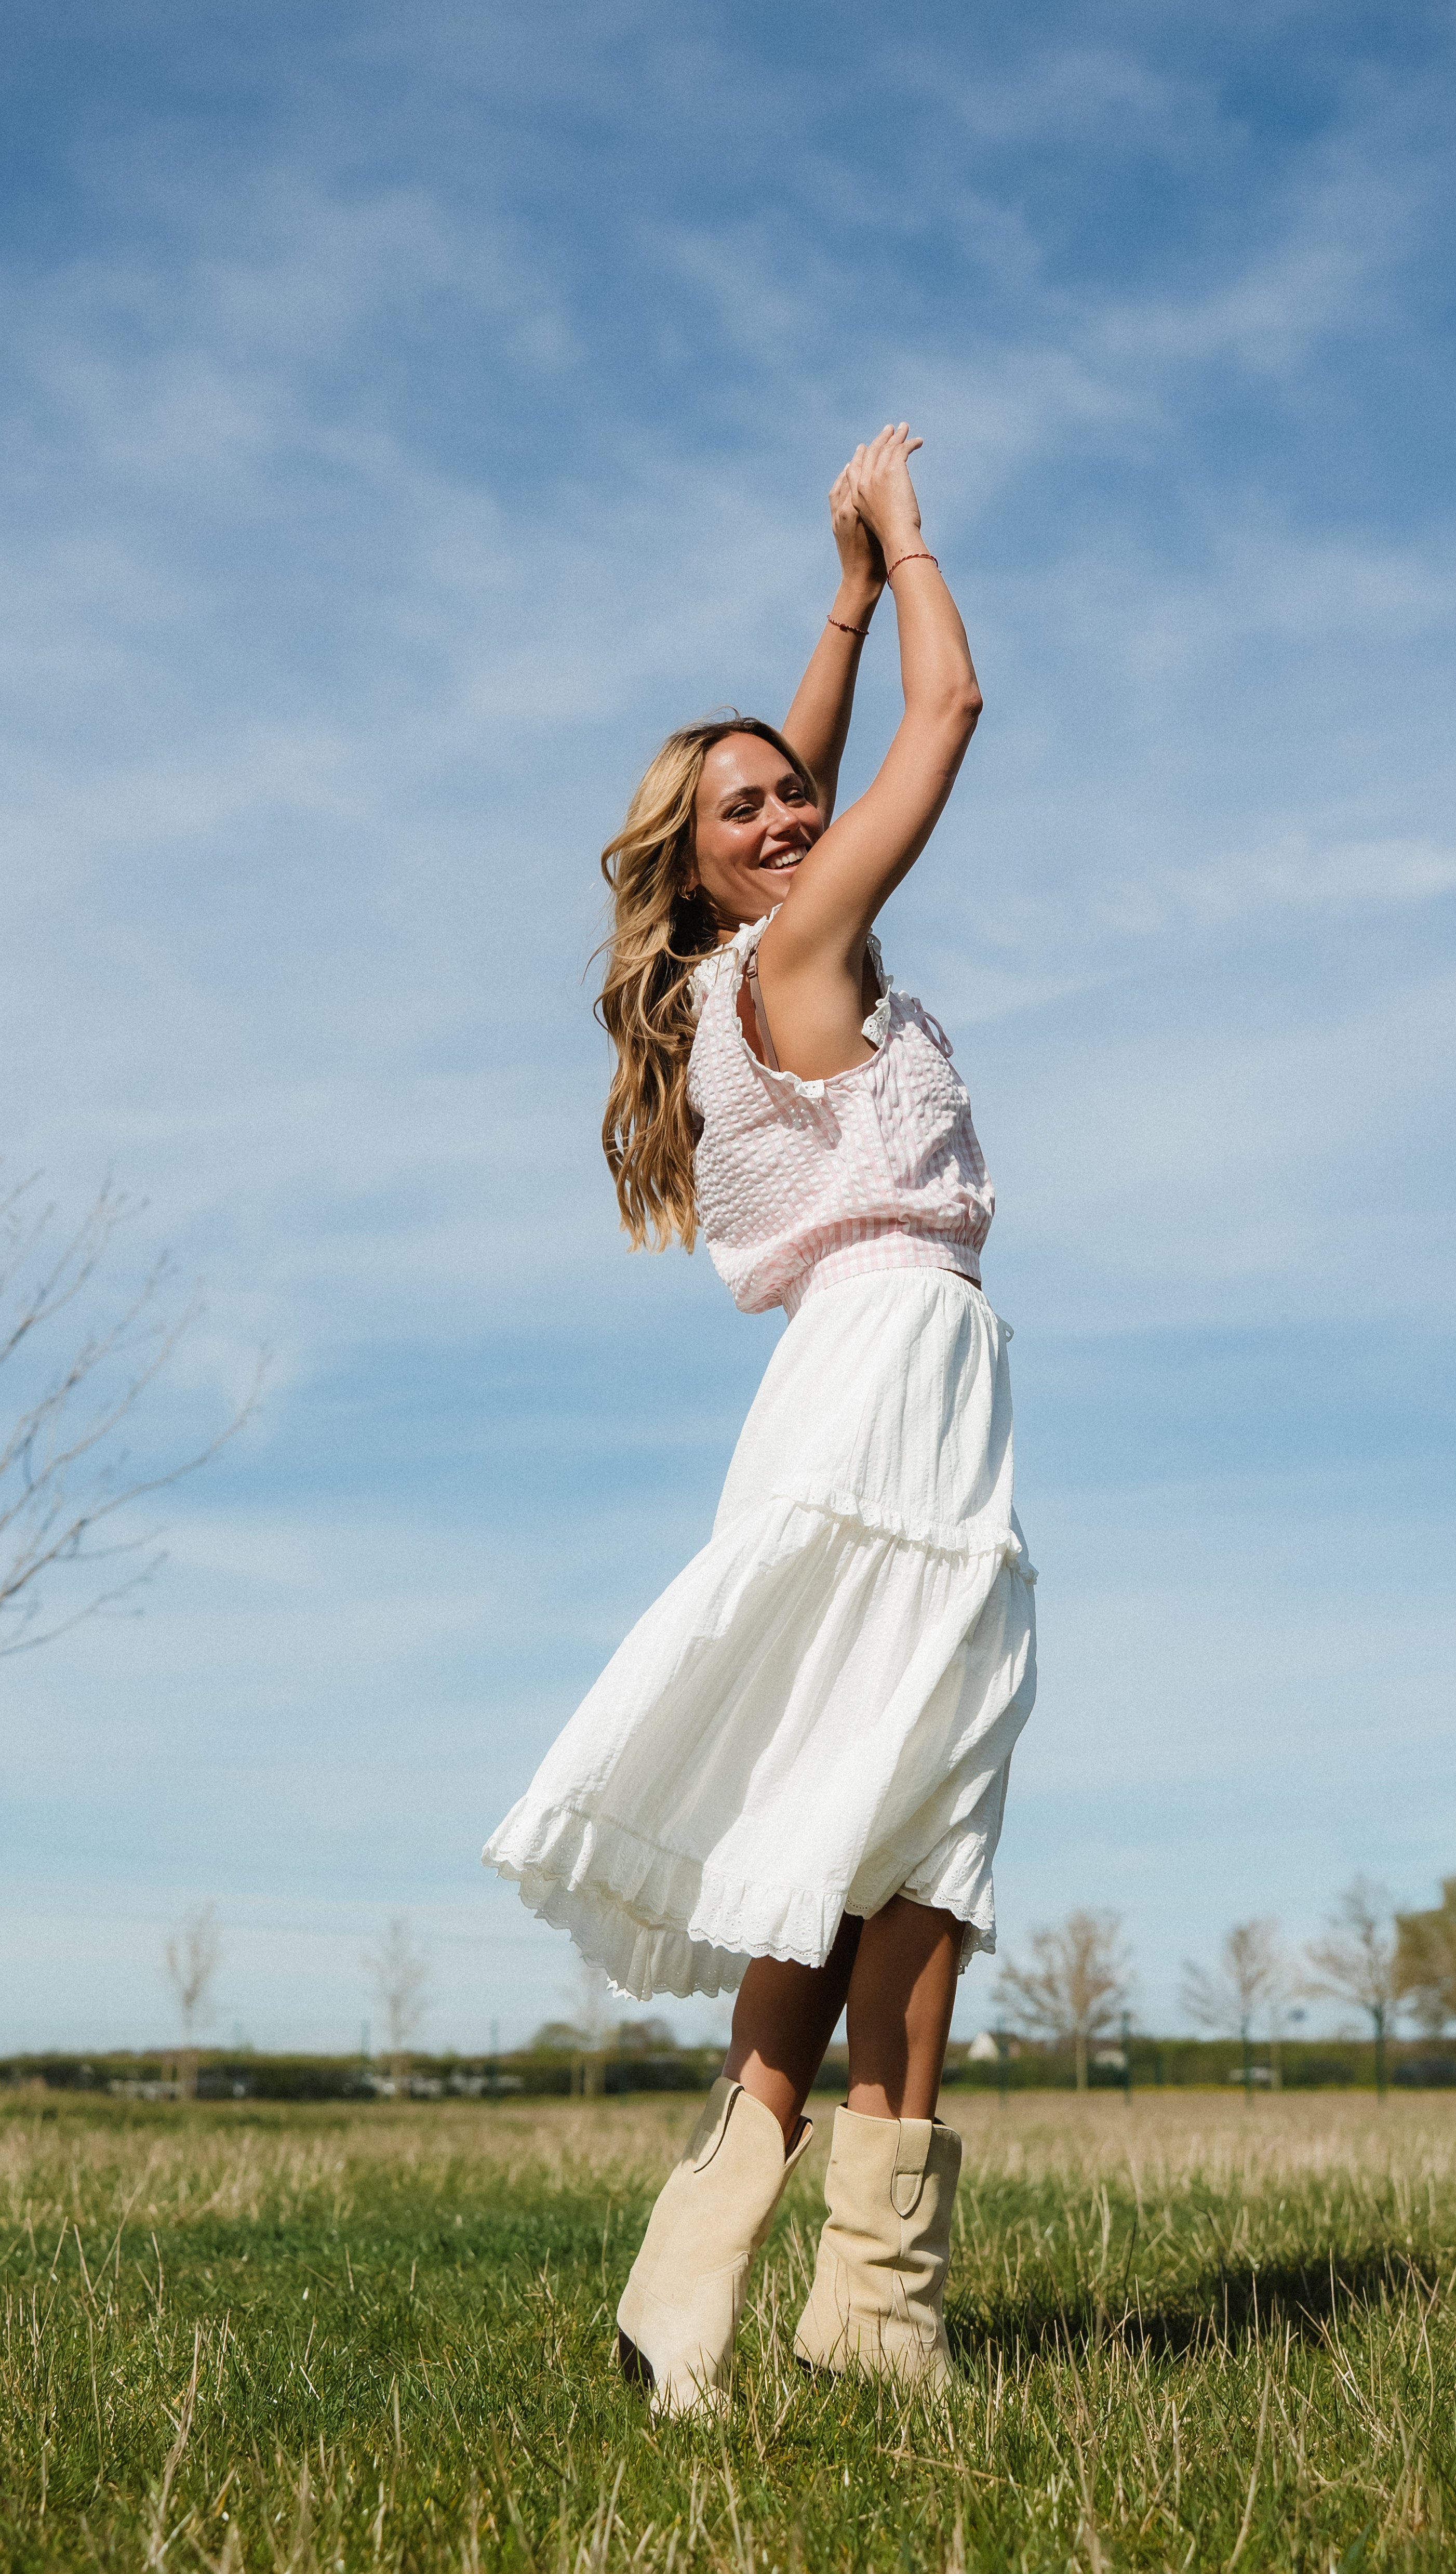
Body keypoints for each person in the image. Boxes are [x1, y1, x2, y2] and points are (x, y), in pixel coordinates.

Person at [483, 424, 1036, 2414]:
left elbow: (789, 781)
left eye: (797, 790)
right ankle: (736, 2268)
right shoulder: (789, 956)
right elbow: (951, 715)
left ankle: (856, 2301)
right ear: (700, 863)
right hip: (884, 1379)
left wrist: (840, 608)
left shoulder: (741, 954)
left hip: (918, 1381)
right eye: (748, 809)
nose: (791, 813)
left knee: (923, 1840)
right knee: (861, 1827)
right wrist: (909, 541)